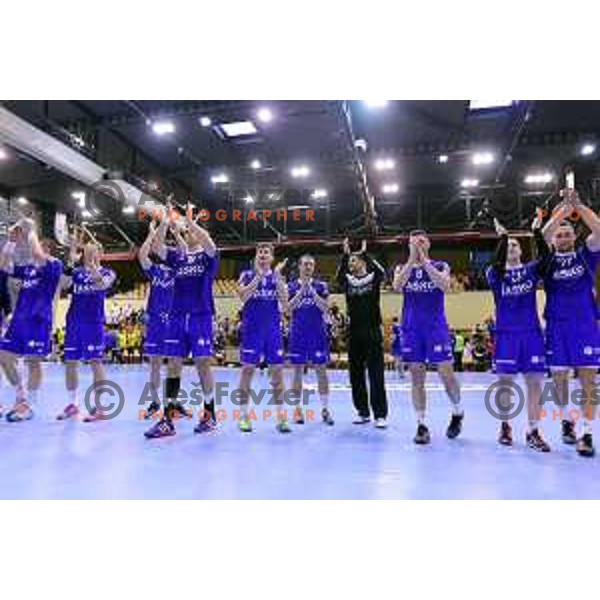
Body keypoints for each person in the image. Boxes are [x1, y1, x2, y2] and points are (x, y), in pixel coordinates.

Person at [144, 206, 219, 438]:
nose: (188, 232)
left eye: (191, 230)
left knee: (202, 364)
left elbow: (210, 245)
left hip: (200, 316)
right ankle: (167, 419)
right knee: (173, 364)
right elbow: (156, 247)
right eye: (186, 231)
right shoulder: (178, 257)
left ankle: (209, 415)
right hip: (176, 317)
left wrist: (190, 222)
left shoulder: (208, 257)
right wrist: (166, 221)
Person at [541, 189, 600, 457]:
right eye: (559, 234)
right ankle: (567, 421)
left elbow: (598, 232)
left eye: (567, 233)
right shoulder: (548, 259)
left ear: (574, 236)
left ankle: (587, 433)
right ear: (554, 240)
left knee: (588, 380)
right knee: (559, 380)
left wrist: (579, 206)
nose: (563, 237)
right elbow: (541, 235)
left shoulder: (585, 256)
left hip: (584, 325)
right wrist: (561, 211)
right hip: (556, 326)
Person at [486, 216, 551, 450]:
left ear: (522, 251)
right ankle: (505, 425)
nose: (511, 247)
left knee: (535, 383)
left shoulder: (531, 270)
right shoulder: (494, 274)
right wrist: (503, 237)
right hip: (506, 335)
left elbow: (546, 259)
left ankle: (533, 430)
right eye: (508, 245)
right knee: (506, 384)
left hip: (532, 334)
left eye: (515, 244)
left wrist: (536, 232)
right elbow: (496, 262)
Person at [393, 230, 463, 444]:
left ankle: (457, 412)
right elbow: (397, 286)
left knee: (446, 373)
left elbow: (444, 285)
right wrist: (411, 260)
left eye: (422, 241)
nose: (418, 244)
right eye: (414, 242)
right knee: (416, 377)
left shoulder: (441, 265)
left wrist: (423, 261)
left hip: (435, 328)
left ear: (429, 244)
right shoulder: (401, 268)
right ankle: (421, 425)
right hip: (411, 329)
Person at [0, 218, 62, 421]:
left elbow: (36, 253)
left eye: (42, 246)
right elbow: (5, 266)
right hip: (19, 321)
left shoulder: (54, 265)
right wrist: (11, 241)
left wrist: (31, 229)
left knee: (33, 361)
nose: (35, 248)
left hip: (38, 320)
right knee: (4, 356)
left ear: (49, 251)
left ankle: (29, 406)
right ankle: (20, 396)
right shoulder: (28, 269)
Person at [57, 231, 116, 421]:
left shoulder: (108, 272)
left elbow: (102, 286)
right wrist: (71, 261)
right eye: (86, 251)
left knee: (95, 362)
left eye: (93, 251)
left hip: (93, 324)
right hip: (74, 322)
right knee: (70, 363)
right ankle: (72, 404)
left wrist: (91, 267)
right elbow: (63, 284)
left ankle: (100, 408)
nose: (89, 254)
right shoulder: (76, 272)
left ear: (100, 253)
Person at [236, 242, 290, 433]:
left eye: (266, 252)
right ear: (255, 256)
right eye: (260, 251)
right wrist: (258, 277)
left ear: (272, 258)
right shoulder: (247, 275)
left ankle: (281, 417)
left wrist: (278, 279)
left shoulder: (277, 278)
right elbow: (242, 296)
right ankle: (243, 417)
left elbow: (285, 305)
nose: (263, 254)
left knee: (277, 374)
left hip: (272, 332)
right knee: (247, 372)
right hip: (252, 332)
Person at [337, 238, 388, 427]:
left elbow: (382, 272)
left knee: (376, 374)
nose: (351, 263)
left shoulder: (374, 278)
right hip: (354, 333)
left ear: (363, 262)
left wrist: (365, 252)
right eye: (350, 261)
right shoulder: (348, 281)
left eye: (354, 260)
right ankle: (363, 411)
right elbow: (339, 275)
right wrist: (345, 254)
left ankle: (380, 415)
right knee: (356, 375)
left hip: (373, 331)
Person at [288, 254, 334, 426]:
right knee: (297, 372)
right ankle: (297, 409)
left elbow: (325, 307)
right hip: (298, 334)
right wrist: (301, 291)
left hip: (317, 334)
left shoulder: (321, 286)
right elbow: (287, 308)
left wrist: (312, 291)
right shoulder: (291, 286)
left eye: (311, 265)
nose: (308, 267)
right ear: (299, 267)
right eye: (305, 264)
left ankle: (325, 409)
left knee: (321, 371)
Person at [137, 219, 176, 419]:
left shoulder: (179, 271)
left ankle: (172, 403)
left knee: (174, 364)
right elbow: (142, 255)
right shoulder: (156, 270)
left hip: (173, 322)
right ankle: (154, 402)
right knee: (154, 364)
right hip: (155, 323)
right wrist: (151, 232)